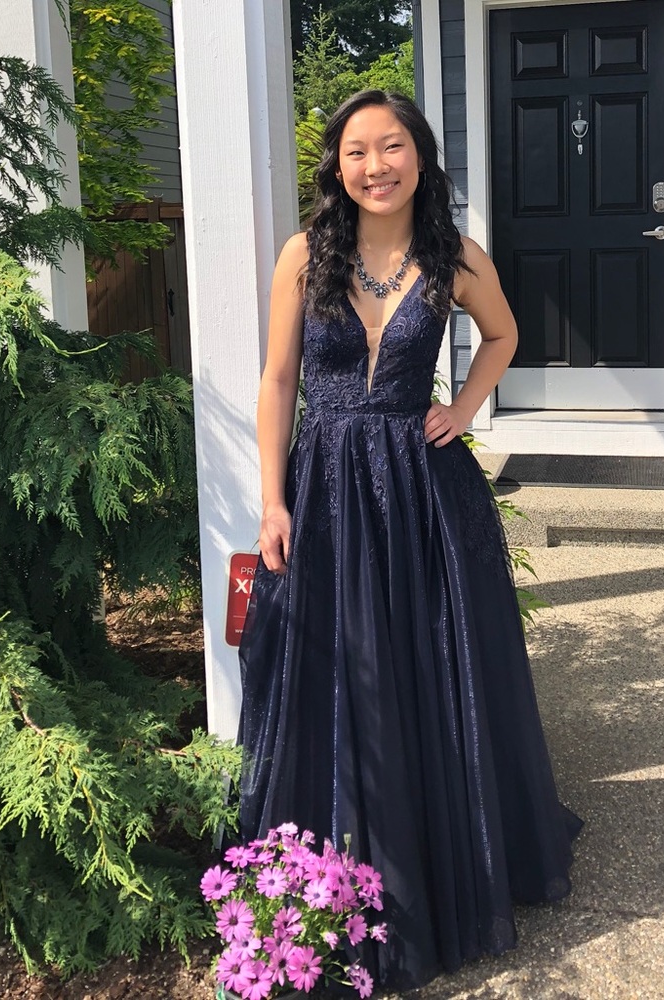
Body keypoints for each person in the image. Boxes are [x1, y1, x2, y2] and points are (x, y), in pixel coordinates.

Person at [238, 89, 581, 992]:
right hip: (326, 493)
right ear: (337, 168)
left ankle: (440, 859)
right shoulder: (303, 256)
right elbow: (278, 382)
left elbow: (503, 334)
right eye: (358, 151)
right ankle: (335, 876)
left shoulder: (454, 258)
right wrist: (270, 499)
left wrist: (463, 408)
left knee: (432, 665)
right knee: (343, 669)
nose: (376, 165)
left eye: (393, 147)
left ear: (420, 158)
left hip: (426, 495)